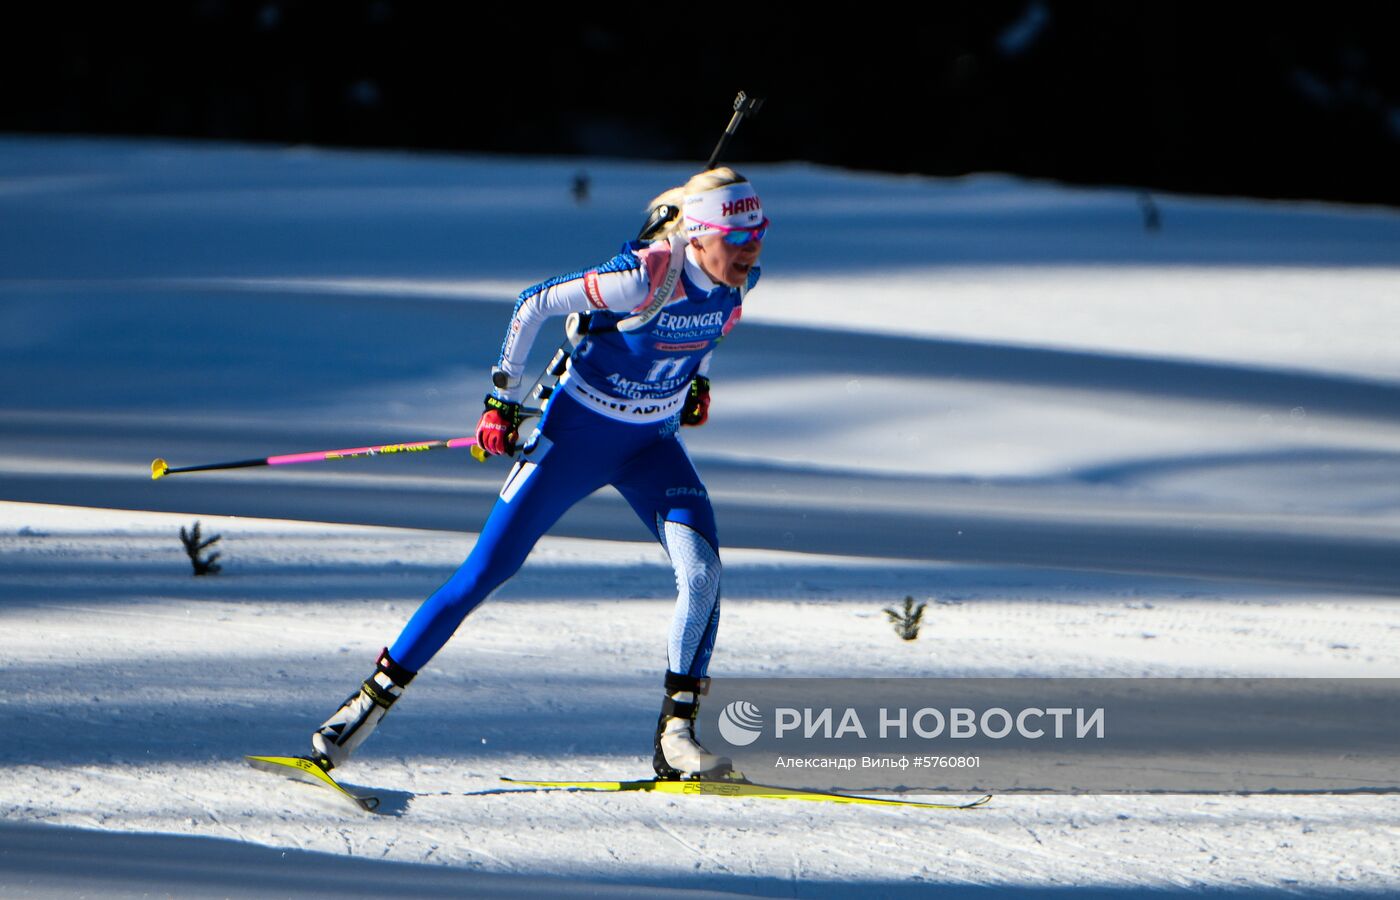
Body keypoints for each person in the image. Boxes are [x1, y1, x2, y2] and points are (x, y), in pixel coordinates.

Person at [309, 167, 766, 780]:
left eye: (759, 233)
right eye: (739, 237)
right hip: (573, 440)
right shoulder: (643, 278)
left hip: (651, 447)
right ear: (701, 235)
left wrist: (696, 383)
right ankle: (361, 711)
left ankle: (676, 737)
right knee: (484, 572)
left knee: (703, 572)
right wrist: (501, 399)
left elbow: (708, 332)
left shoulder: (739, 281)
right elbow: (533, 303)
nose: (752, 248)